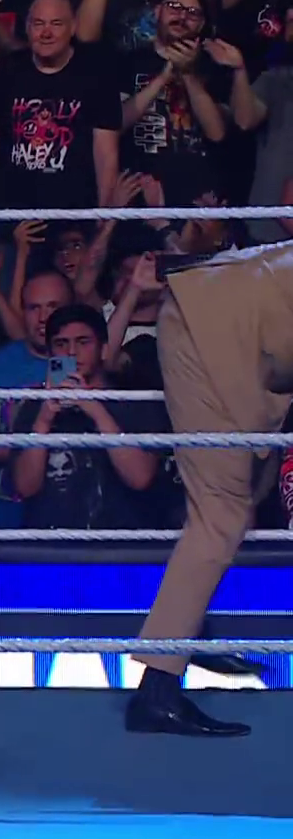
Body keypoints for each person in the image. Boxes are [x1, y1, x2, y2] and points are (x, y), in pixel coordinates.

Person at [130, 243, 293, 739]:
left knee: (240, 495)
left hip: (226, 321)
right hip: (210, 332)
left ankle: (188, 625)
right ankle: (157, 690)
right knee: (220, 516)